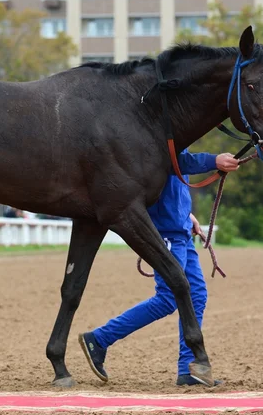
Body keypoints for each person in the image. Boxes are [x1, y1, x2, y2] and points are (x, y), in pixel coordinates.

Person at [79, 148, 240, 387]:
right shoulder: (159, 129)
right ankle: (100, 339)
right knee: (167, 299)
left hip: (179, 229)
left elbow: (172, 178)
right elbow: (176, 161)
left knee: (196, 295)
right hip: (166, 233)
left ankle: (189, 370)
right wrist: (213, 161)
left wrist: (187, 215)